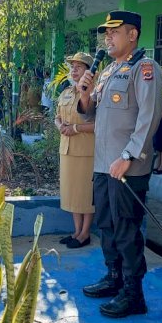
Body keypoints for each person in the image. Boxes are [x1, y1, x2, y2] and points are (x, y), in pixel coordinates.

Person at [77, 10, 162, 318]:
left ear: (132, 34)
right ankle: (114, 277)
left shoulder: (145, 68)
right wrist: (83, 93)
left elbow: (149, 116)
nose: (108, 38)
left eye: (115, 32)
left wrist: (128, 156)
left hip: (127, 167)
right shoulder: (109, 70)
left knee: (126, 229)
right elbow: (90, 113)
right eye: (106, 33)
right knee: (107, 225)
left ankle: (133, 293)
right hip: (103, 165)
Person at [54, 52, 96, 248]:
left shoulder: (93, 93)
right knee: (72, 192)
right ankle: (76, 231)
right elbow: (57, 116)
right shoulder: (67, 92)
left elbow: (99, 124)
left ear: (89, 70)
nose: (74, 70)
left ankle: (85, 233)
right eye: (72, 67)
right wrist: (60, 126)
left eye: (79, 67)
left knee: (85, 193)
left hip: (85, 151)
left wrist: (75, 128)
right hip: (67, 150)